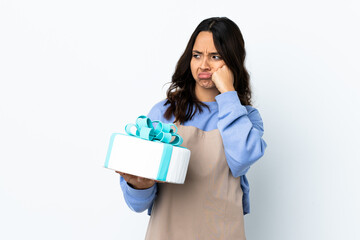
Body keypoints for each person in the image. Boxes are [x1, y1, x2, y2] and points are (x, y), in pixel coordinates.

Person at [117, 17, 267, 239]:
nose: (204, 65)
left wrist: (227, 92)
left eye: (215, 57)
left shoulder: (247, 118)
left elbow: (242, 158)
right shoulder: (163, 114)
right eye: (197, 55)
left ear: (233, 61)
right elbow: (137, 204)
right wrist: (140, 187)